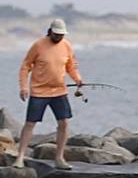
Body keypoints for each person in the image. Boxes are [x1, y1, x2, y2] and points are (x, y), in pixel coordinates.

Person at [12, 18, 84, 168]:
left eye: (61, 35)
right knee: (30, 123)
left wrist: (77, 79)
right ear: (50, 31)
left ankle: (59, 158)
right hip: (39, 92)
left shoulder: (67, 46)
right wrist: (23, 87)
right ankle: (19, 158)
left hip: (59, 91)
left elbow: (71, 66)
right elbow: (25, 67)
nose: (59, 37)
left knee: (64, 123)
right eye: (56, 34)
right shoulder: (38, 45)